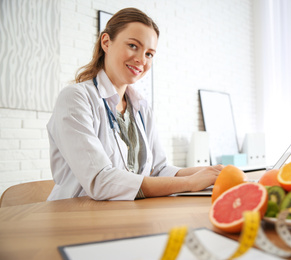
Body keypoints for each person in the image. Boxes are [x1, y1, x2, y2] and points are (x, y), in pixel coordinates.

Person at [47, 8, 223, 201]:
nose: (141, 59)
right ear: (106, 42)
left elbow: (158, 170)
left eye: (149, 54)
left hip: (125, 215)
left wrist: (208, 173)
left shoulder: (141, 107)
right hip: (75, 218)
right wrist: (189, 183)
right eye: (133, 45)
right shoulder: (75, 98)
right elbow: (100, 181)